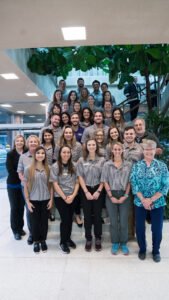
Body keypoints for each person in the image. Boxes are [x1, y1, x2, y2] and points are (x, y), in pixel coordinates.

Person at [130, 140, 169, 262]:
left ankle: (156, 250)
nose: (148, 151)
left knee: (157, 229)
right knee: (140, 228)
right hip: (140, 202)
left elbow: (165, 186)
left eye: (151, 149)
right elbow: (134, 183)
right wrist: (143, 200)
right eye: (146, 149)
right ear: (143, 151)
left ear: (155, 150)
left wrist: (151, 200)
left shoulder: (162, 166)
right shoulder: (137, 166)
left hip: (157, 203)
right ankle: (142, 249)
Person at [101, 142, 132, 255]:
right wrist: (110, 196)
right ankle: (115, 242)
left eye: (119, 149)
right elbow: (104, 181)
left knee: (123, 221)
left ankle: (123, 243)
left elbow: (129, 182)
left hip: (125, 194)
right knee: (113, 221)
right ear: (112, 151)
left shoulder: (128, 164)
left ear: (123, 150)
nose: (117, 151)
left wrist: (125, 195)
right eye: (115, 149)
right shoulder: (107, 165)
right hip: (111, 194)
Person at [77, 138, 105, 251]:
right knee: (87, 216)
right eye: (89, 145)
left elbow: (104, 177)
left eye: (93, 144)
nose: (92, 146)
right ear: (86, 146)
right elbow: (80, 177)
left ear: (96, 146)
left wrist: (98, 191)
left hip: (99, 188)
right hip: (85, 189)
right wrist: (86, 192)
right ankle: (88, 238)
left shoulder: (102, 160)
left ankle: (98, 238)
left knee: (98, 215)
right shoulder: (81, 160)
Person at [50, 146, 79, 254]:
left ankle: (68, 239)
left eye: (68, 152)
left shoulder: (75, 166)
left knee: (70, 219)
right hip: (60, 197)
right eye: (64, 152)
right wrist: (65, 197)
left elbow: (77, 182)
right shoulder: (55, 166)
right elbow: (55, 184)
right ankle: (63, 242)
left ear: (70, 153)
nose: (66, 154)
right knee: (65, 219)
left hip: (72, 197)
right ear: (60, 153)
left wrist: (73, 196)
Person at [24, 146, 53, 253]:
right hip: (33, 200)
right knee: (34, 222)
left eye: (42, 153)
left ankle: (43, 240)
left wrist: (51, 200)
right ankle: (36, 241)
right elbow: (26, 186)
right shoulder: (28, 169)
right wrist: (27, 201)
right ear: (34, 155)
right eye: (38, 153)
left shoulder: (48, 168)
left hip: (45, 199)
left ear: (45, 156)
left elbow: (51, 186)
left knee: (44, 222)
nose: (40, 155)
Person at [17, 135, 40, 245]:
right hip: (27, 187)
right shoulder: (23, 156)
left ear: (38, 143)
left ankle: (40, 232)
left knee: (39, 209)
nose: (33, 143)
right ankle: (32, 234)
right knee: (29, 210)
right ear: (28, 143)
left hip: (40, 187)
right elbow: (19, 172)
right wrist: (25, 181)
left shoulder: (41, 155)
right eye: (31, 142)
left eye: (35, 142)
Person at [123, 126, 143, 239]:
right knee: (128, 210)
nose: (129, 136)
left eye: (131, 134)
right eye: (127, 134)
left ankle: (139, 234)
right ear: (124, 135)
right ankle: (130, 235)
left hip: (138, 184)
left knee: (139, 210)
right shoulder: (119, 148)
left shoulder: (140, 149)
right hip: (124, 184)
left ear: (135, 135)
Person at [6, 135, 27, 240]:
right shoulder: (10, 154)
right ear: (15, 143)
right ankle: (15, 230)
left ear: (24, 142)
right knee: (15, 207)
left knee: (21, 207)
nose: (19, 142)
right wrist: (22, 176)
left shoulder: (27, 152)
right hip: (13, 185)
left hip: (24, 185)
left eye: (21, 141)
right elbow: (10, 170)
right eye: (17, 141)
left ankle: (21, 228)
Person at [41, 128, 56, 221]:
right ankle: (44, 212)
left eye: (49, 135)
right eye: (45, 135)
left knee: (52, 193)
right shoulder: (40, 146)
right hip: (42, 172)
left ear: (52, 136)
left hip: (53, 172)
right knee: (43, 192)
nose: (47, 137)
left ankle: (51, 213)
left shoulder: (56, 147)